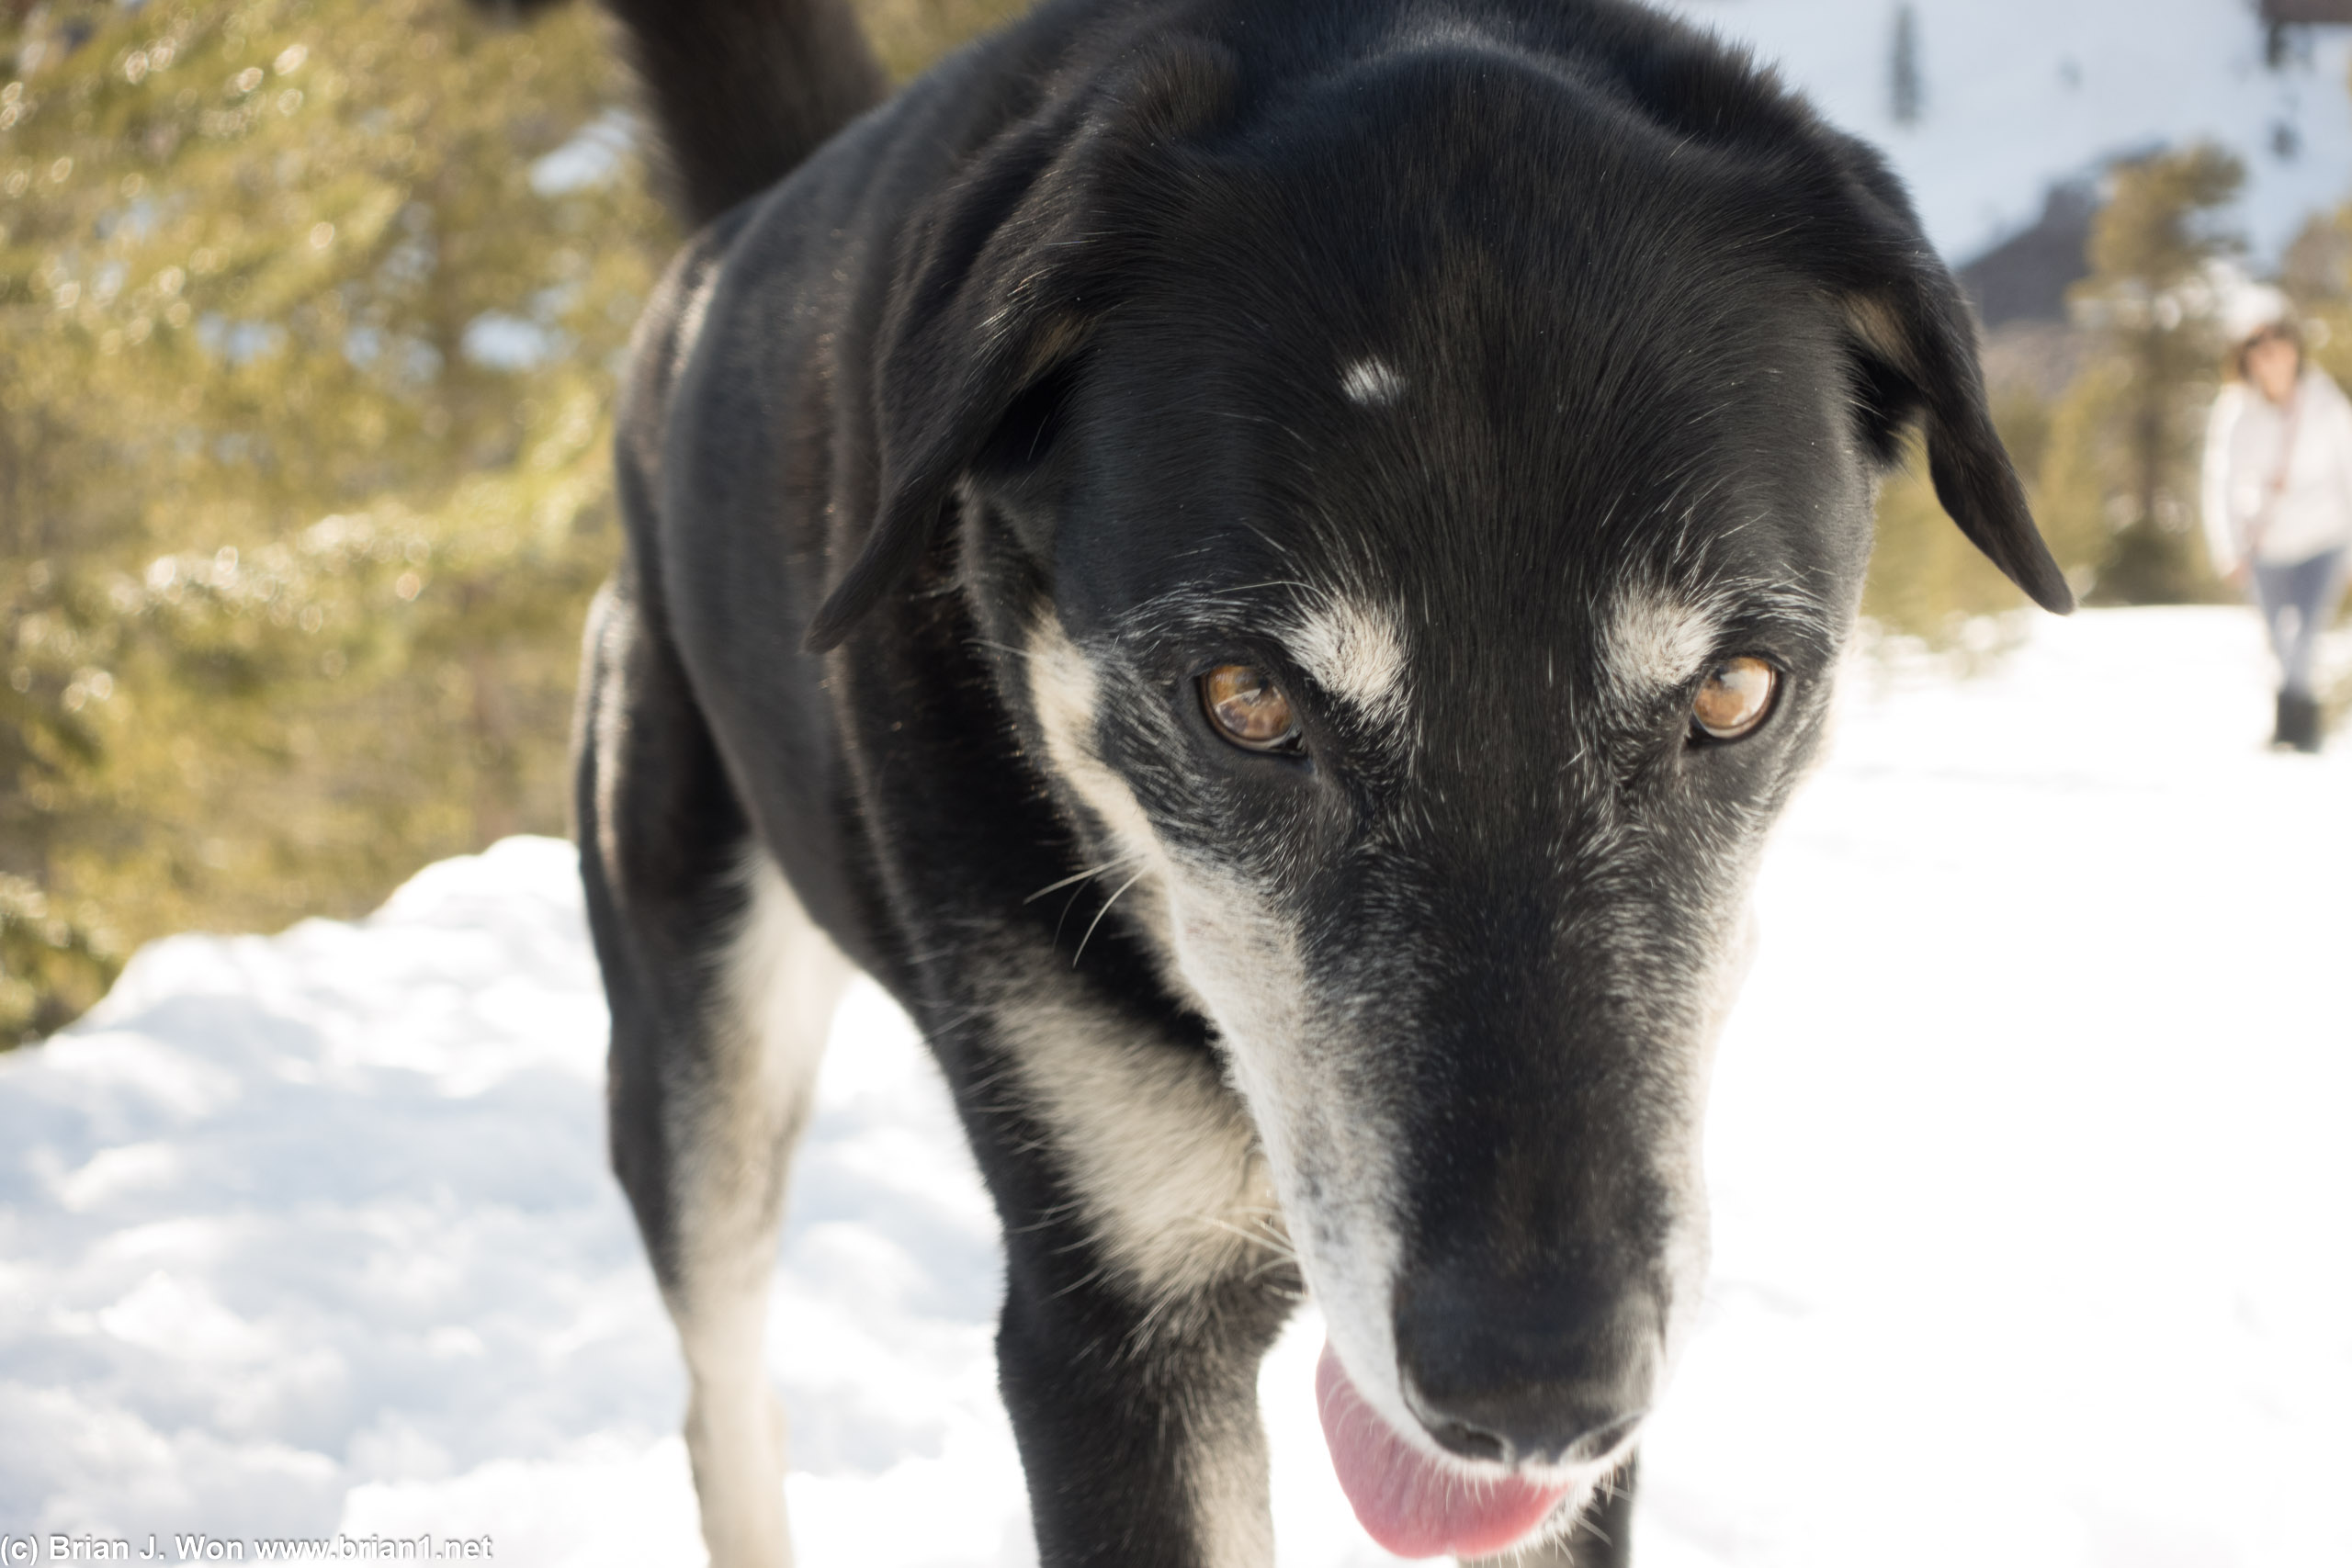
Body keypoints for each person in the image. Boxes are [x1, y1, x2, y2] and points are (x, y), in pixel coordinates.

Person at [2202, 293, 2352, 753]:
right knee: (2278, 644)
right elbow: (2219, 481)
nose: (2271, 356)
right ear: (2246, 358)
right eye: (2258, 347)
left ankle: (2297, 735)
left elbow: (2348, 472)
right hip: (2265, 546)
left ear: (2294, 349)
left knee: (2305, 635)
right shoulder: (2235, 411)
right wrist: (2227, 548)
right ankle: (2298, 724)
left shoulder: (2326, 403)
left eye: (2278, 344)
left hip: (2323, 540)